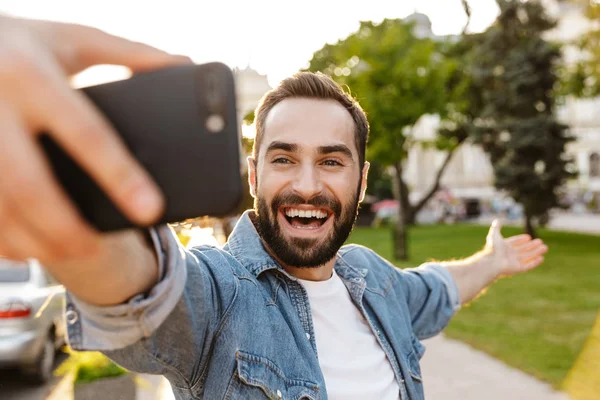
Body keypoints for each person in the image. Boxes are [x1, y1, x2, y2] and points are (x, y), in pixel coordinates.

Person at [0, 15, 549, 400]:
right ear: (254, 173)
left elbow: (439, 287)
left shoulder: (373, 280)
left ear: (361, 182)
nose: (306, 185)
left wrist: (493, 261)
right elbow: (142, 290)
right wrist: (69, 191)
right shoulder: (219, 295)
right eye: (284, 158)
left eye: (332, 161)